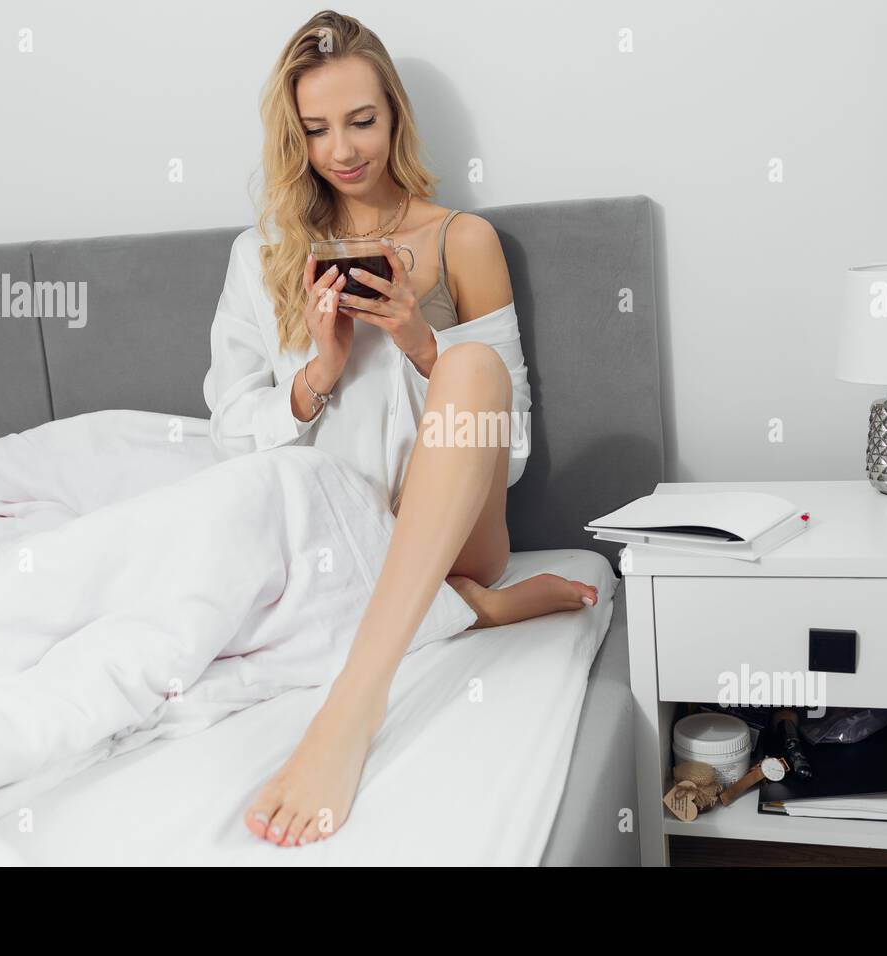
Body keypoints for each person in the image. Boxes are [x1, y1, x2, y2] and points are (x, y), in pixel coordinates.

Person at [203, 10, 598, 848]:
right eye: (317, 130)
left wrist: (423, 345)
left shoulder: (463, 239)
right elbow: (230, 437)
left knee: (473, 368)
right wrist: (319, 373)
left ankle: (355, 706)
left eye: (362, 121)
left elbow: (511, 441)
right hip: (327, 529)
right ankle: (476, 613)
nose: (342, 150)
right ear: (293, 137)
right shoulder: (261, 257)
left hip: (456, 530)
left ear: (395, 116)